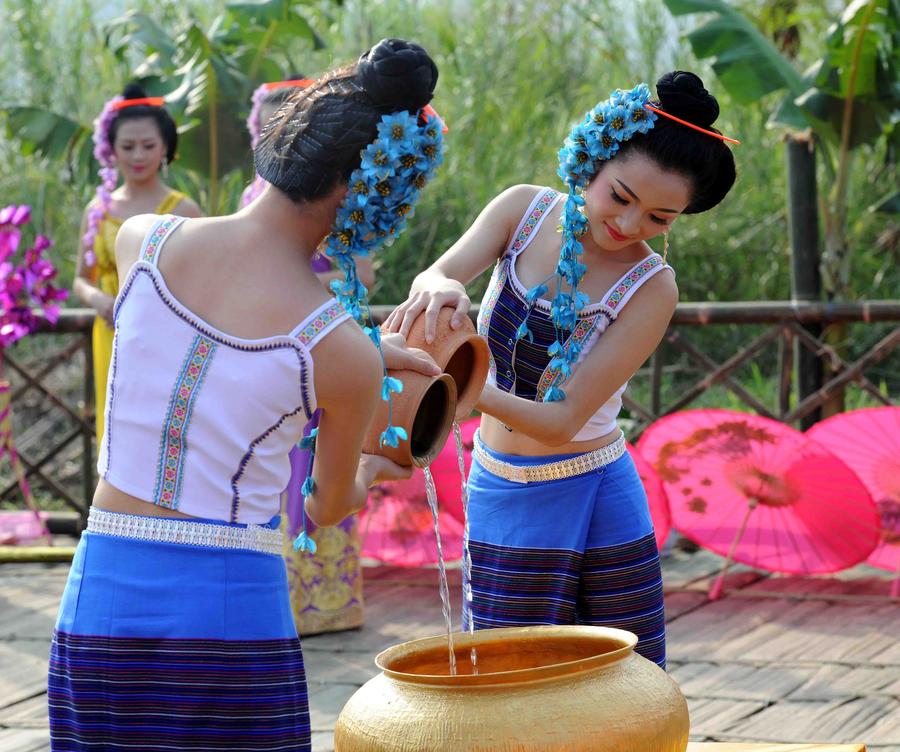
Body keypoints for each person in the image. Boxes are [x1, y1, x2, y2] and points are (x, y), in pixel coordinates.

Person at [48, 39, 443, 751]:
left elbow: (218, 339)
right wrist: (376, 468)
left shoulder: (144, 239)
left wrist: (355, 345)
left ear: (286, 140)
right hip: (229, 611)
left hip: (99, 591)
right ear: (378, 194)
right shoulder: (339, 352)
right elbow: (325, 508)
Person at [387, 71, 737, 669]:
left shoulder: (652, 287)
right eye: (620, 197)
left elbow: (562, 420)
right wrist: (444, 286)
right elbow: (435, 275)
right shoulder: (522, 211)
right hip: (502, 480)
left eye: (659, 218)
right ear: (592, 161)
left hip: (595, 481)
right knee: (506, 674)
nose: (628, 225)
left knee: (622, 682)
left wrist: (466, 390)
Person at [243, 77, 376, 636]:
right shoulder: (255, 204)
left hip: (328, 341)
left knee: (326, 461)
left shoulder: (345, 205)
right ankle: (281, 599)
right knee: (279, 468)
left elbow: (363, 275)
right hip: (275, 350)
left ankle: (328, 600)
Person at [73, 84, 203, 442]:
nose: (138, 155)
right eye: (127, 146)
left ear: (166, 148)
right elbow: (81, 279)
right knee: (115, 433)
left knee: (164, 436)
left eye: (148, 145)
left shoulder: (184, 210)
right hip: (111, 333)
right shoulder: (98, 212)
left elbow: (205, 280)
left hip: (168, 339)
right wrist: (99, 300)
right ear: (111, 150)